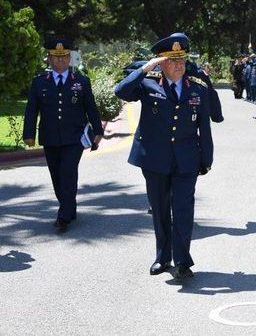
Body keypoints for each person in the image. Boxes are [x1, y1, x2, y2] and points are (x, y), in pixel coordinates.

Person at [114, 32, 213, 279]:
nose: (180, 65)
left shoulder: (198, 88)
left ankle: (182, 261)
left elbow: (204, 127)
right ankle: (162, 258)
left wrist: (206, 159)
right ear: (162, 62)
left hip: (187, 159)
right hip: (155, 159)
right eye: (173, 60)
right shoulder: (148, 82)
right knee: (160, 210)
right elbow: (121, 91)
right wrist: (145, 68)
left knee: (183, 209)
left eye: (182, 59)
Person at [23, 39, 104, 230]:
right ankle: (69, 207)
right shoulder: (39, 82)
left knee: (68, 173)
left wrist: (98, 130)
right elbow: (31, 110)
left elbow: (90, 107)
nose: (61, 60)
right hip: (50, 137)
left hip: (74, 137)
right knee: (57, 176)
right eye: (56, 57)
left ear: (69, 58)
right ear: (49, 59)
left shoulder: (81, 81)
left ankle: (64, 217)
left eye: (64, 56)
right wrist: (28, 134)